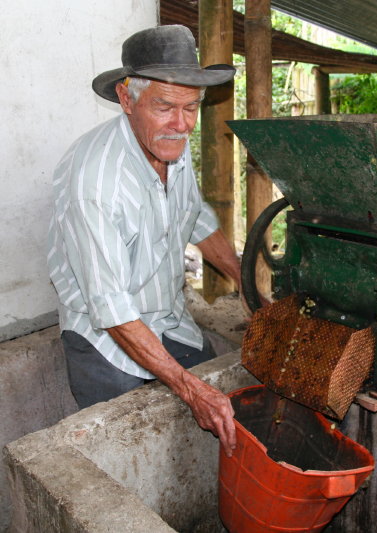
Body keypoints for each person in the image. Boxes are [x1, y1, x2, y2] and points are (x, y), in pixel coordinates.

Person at [47, 25, 240, 457]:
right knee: (123, 450)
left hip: (168, 318)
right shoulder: (95, 182)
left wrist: (244, 279)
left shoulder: (173, 145)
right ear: (126, 98)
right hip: (105, 336)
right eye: (165, 107)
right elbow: (111, 308)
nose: (181, 124)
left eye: (191, 108)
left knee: (220, 402)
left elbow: (195, 217)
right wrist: (190, 390)